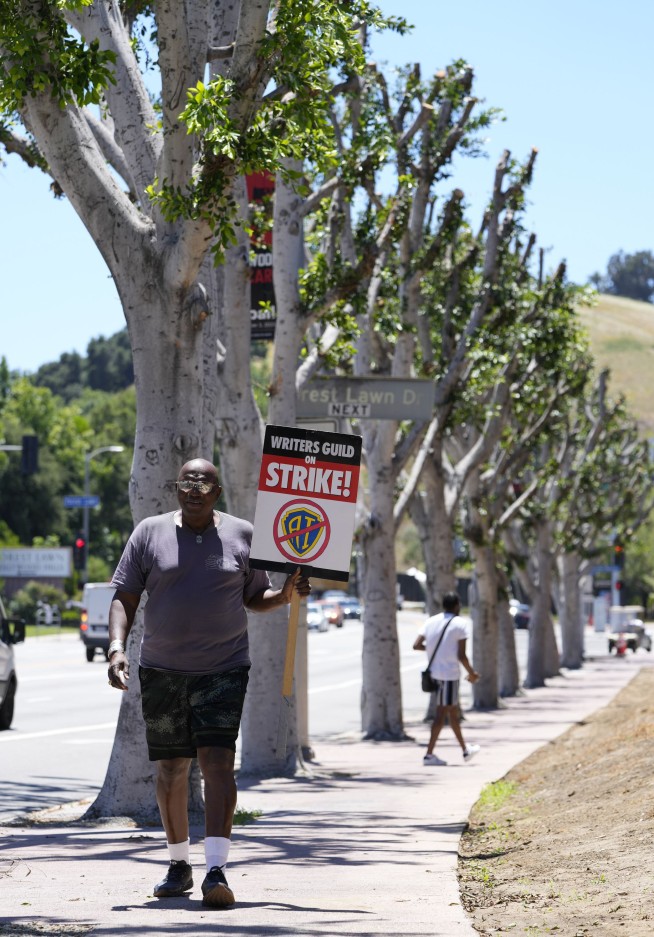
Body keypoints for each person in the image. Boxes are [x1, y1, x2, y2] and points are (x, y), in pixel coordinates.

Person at [107, 458, 311, 907]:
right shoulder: (148, 532)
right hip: (161, 670)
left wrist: (287, 595)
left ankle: (216, 870)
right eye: (187, 482)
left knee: (218, 762)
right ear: (176, 488)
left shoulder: (242, 534)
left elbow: (256, 597)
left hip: (224, 668)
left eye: (204, 483)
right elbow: (125, 595)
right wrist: (117, 648)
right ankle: (179, 864)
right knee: (172, 768)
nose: (194, 489)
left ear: (217, 492)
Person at [413, 591, 480, 766]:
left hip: (435, 673)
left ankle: (466, 750)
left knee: (452, 712)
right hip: (449, 675)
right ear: (457, 605)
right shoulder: (460, 624)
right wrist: (472, 673)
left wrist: (434, 649)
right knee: (442, 713)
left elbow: (416, 645)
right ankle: (429, 755)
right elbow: (462, 655)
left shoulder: (430, 621)